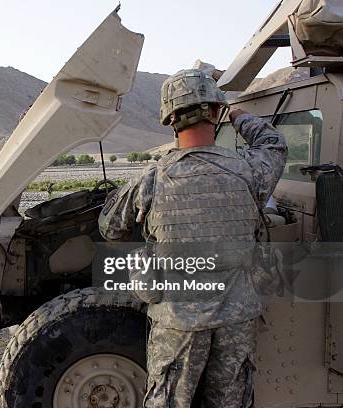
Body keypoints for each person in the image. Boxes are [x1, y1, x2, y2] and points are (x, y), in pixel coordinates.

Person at [99, 68, 287, 407]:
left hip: (178, 323)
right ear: (215, 113)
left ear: (170, 121)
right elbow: (273, 144)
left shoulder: (152, 178)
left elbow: (110, 228)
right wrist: (240, 114)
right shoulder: (249, 170)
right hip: (236, 319)